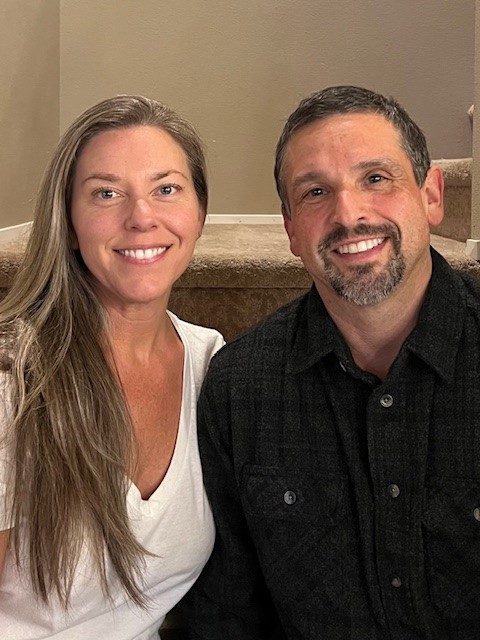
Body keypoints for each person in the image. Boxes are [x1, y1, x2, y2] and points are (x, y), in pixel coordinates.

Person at [181, 86, 480, 639]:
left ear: (432, 196)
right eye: (316, 191)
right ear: (291, 229)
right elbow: (226, 618)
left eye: (375, 178)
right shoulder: (238, 388)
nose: (349, 214)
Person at [0, 95, 224, 639]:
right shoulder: (14, 382)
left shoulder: (213, 365)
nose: (142, 216)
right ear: (70, 224)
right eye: (106, 194)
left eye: (166, 189)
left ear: (198, 212)